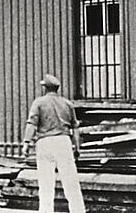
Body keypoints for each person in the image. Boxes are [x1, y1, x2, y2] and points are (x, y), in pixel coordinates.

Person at [22, 74, 85, 213]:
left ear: (45, 87)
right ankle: (78, 210)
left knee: (45, 182)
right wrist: (77, 147)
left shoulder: (38, 103)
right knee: (71, 181)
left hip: (45, 142)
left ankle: (46, 211)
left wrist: (26, 143)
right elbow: (75, 128)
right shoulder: (67, 104)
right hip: (64, 142)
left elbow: (31, 123)